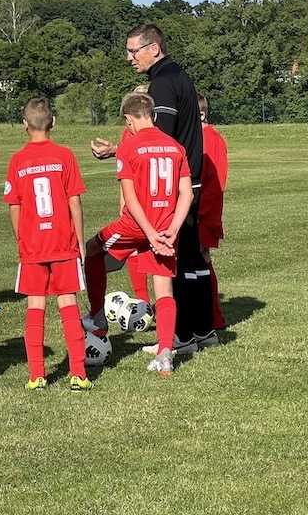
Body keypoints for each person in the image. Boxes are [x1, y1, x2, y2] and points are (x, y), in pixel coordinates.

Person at [89, 23, 215, 352]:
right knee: (194, 261)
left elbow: (161, 147)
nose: (129, 57)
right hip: (189, 182)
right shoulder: (180, 75)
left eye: (133, 51)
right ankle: (204, 331)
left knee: (175, 262)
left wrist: (120, 152)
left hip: (173, 187)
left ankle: (181, 336)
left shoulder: (162, 84)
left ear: (154, 49)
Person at [86, 92, 192, 375]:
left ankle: (97, 317)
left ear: (128, 119)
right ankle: (165, 355)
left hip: (136, 226)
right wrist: (172, 230)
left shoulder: (128, 148)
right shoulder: (176, 147)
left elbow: (130, 200)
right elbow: (187, 194)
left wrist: (148, 233)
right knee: (164, 290)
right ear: (153, 116)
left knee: (91, 249)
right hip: (166, 228)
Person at [3, 97, 91, 391]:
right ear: (53, 122)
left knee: (35, 305)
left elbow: (14, 207)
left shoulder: (17, 160)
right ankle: (78, 373)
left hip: (32, 245)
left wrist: (21, 238)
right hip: (63, 241)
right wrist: (80, 241)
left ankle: (37, 375)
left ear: (24, 125)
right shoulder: (65, 156)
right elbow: (74, 202)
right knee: (68, 303)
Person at [198, 93, 228, 330]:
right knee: (196, 260)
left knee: (202, 258)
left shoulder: (212, 139)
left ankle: (214, 318)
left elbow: (216, 182)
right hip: (195, 210)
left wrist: (200, 213)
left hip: (203, 213)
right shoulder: (197, 137)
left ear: (201, 115)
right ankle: (204, 316)